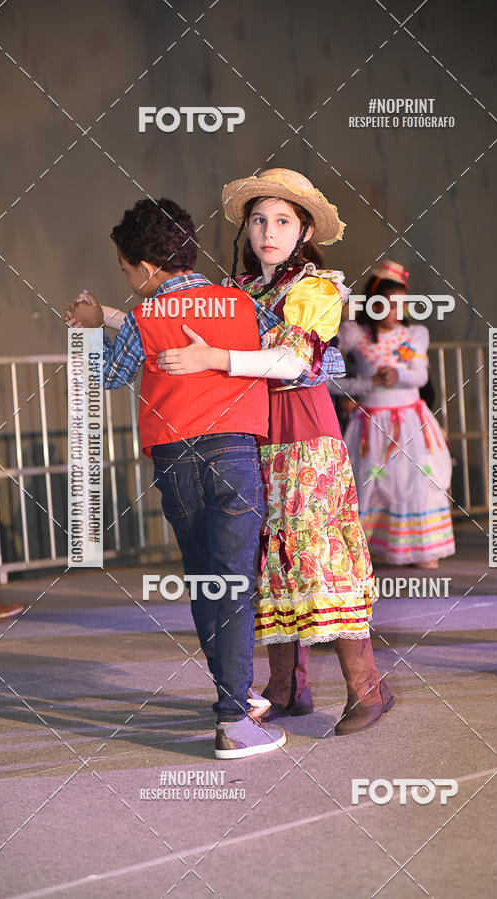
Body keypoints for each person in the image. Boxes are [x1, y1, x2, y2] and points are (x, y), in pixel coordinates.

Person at [157, 169, 394, 735]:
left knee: (316, 560)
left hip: (306, 438)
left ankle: (368, 690)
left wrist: (215, 359)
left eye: (283, 221)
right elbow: (172, 325)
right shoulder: (238, 292)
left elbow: (291, 363)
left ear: (303, 228)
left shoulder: (315, 288)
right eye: (259, 219)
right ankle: (286, 688)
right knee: (267, 561)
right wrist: (108, 322)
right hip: (254, 437)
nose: (268, 230)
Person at [63, 197, 288, 757]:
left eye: (124, 270)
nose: (128, 280)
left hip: (173, 461)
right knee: (235, 582)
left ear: (142, 268)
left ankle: (236, 701)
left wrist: (93, 329)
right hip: (234, 454)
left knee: (206, 580)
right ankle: (235, 714)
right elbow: (307, 358)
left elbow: (111, 375)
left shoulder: (145, 316)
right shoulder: (240, 303)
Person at [337, 260, 455, 569]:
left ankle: (421, 548)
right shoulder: (353, 333)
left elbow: (420, 377)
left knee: (419, 477)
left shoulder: (414, 334)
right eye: (389, 305)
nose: (396, 312)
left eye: (402, 305)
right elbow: (328, 380)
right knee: (371, 480)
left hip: (410, 421)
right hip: (372, 424)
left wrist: (397, 374)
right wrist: (366, 383)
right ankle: (370, 546)